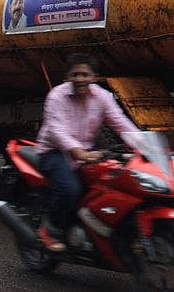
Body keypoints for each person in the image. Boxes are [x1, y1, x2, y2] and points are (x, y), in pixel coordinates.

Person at [34, 53, 139, 252]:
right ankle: (50, 229)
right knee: (69, 190)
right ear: (67, 78)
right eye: (75, 75)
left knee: (114, 184)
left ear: (94, 77)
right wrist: (79, 153)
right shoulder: (56, 96)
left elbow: (120, 122)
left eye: (85, 75)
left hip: (86, 151)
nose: (80, 79)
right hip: (54, 152)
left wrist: (143, 145)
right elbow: (58, 131)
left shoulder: (102, 96)